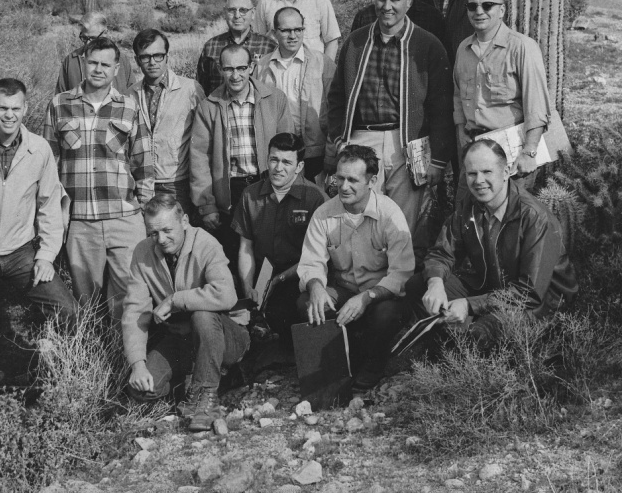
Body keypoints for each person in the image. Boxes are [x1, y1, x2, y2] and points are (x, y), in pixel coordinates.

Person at [0, 78, 75, 394]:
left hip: (22, 252)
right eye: (3, 108)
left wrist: (47, 256)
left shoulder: (40, 150)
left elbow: (49, 204)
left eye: (16, 108)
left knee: (66, 309)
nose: (9, 115)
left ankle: (52, 384)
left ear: (25, 108)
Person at [405, 140, 578, 349]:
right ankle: (445, 346)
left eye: (487, 172)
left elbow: (530, 293)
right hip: (495, 285)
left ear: (505, 172)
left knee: (481, 334)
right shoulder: (470, 204)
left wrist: (469, 305)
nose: (479, 181)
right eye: (471, 174)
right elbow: (443, 251)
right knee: (419, 284)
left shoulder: (534, 217)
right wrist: (435, 284)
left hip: (540, 303)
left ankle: (473, 357)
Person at [324, 0, 454, 244]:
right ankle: (360, 279)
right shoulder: (356, 42)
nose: (387, 6)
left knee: (401, 225)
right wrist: (339, 139)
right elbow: (336, 96)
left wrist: (438, 159)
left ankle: (396, 283)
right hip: (361, 138)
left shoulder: (427, 45)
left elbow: (441, 108)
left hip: (406, 141)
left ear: (409, 1)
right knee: (358, 217)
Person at [43, 37, 153, 320]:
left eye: (106, 64)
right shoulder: (59, 104)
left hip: (123, 218)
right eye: (93, 62)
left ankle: (125, 359)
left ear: (117, 69)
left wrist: (141, 212)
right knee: (86, 303)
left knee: (130, 297)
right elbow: (48, 166)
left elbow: (144, 165)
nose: (98, 69)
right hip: (80, 222)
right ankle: (93, 359)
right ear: (84, 64)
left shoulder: (129, 107)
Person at [122, 194, 250, 431]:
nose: (160, 239)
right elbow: (134, 310)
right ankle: (194, 383)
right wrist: (138, 364)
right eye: (153, 233)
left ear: (185, 221)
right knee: (142, 390)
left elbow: (226, 295)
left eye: (167, 230)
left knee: (202, 316)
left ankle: (207, 400)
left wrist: (175, 300)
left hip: (225, 336)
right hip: (181, 339)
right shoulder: (142, 252)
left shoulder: (206, 243)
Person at [298, 145, 414, 394]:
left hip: (381, 296)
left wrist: (368, 297)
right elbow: (311, 263)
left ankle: (373, 366)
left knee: (386, 315)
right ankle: (336, 371)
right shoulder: (323, 214)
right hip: (345, 292)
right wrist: (316, 286)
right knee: (308, 302)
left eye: (352, 180)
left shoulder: (390, 214)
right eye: (339, 178)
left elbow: (402, 274)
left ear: (372, 181)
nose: (343, 186)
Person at [191, 43, 293, 269]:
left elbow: (289, 148)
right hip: (231, 189)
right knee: (234, 250)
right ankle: (239, 300)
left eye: (241, 68)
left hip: (266, 183)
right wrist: (206, 206)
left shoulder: (274, 99)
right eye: (228, 69)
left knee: (269, 250)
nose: (235, 75)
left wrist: (286, 189)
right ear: (220, 69)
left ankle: (267, 300)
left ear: (251, 67)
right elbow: (200, 159)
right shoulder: (209, 107)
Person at [453, 0, 552, 191]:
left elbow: (536, 107)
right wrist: (462, 138)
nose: (479, 11)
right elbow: (458, 98)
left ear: (502, 10)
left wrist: (529, 152)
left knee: (509, 220)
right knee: (468, 219)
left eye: (487, 5)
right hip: (474, 153)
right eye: (472, 6)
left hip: (510, 156)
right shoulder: (464, 49)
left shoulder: (522, 47)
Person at [232, 133, 328, 348]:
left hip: (298, 273)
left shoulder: (315, 197)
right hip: (261, 272)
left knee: (283, 314)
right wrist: (247, 288)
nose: (278, 168)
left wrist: (280, 279)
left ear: (300, 165)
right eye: (274, 159)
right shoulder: (250, 195)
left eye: (286, 162)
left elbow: (319, 255)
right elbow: (245, 248)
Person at [128, 29, 204, 217]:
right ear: (137, 60)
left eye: (158, 56)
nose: (152, 62)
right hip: (142, 184)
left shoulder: (190, 89)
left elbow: (204, 137)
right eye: (145, 57)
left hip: (177, 183)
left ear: (167, 57)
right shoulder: (129, 95)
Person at [255, 7, 333, 181]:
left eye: (298, 29)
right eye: (286, 30)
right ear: (275, 33)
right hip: (279, 152)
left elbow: (336, 110)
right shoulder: (262, 67)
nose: (293, 35)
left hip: (314, 151)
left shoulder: (322, 63)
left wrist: (331, 152)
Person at [196, 0, 277, 95]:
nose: (237, 15)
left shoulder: (268, 47)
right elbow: (201, 89)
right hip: (219, 109)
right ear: (225, 13)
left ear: (252, 13)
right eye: (232, 10)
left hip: (258, 110)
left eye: (243, 10)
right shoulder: (211, 47)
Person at [56, 11, 135, 95]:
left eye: (93, 38)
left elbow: (132, 94)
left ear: (105, 33)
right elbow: (60, 96)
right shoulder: (71, 60)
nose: (88, 43)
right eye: (84, 38)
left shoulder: (121, 59)